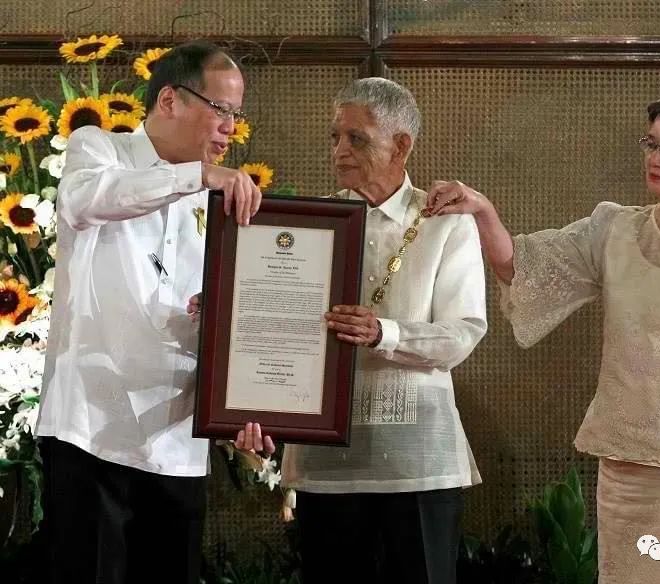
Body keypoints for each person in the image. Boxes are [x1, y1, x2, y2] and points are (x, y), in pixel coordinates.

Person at [424, 88, 660, 583]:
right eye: (651, 144)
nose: (656, 158)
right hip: (624, 475)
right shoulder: (616, 231)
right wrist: (482, 211)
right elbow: (524, 268)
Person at [35, 41, 274, 584]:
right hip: (92, 430)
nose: (230, 130)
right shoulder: (99, 149)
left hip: (177, 438)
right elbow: (88, 201)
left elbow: (223, 313)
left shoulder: (219, 199)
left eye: (237, 115)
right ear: (169, 98)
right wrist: (196, 178)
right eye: (222, 110)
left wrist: (245, 400)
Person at [279, 77, 487, 584]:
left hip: (418, 456)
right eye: (334, 137)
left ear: (402, 144)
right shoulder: (313, 224)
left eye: (356, 138)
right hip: (325, 459)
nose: (340, 151)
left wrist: (384, 334)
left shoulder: (445, 222)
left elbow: (463, 333)